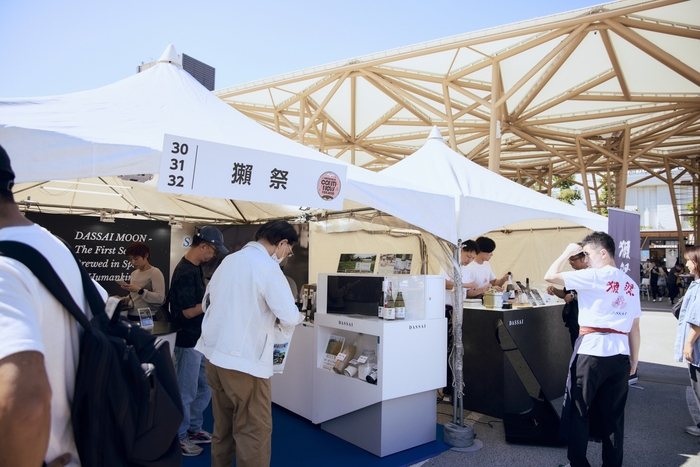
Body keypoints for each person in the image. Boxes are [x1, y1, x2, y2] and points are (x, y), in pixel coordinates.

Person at [0, 144, 106, 467]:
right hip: (83, 448)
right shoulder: (55, 246)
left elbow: (25, 406)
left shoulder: (4, 266)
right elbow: (103, 302)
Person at [195, 220, 302, 467]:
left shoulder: (229, 261)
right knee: (254, 430)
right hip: (244, 362)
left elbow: (207, 303)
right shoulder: (268, 267)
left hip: (214, 355)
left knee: (223, 426)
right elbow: (288, 315)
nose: (286, 255)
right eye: (288, 250)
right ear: (282, 243)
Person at [545, 231, 641, 467]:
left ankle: (578, 463)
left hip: (592, 353)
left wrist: (567, 252)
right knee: (614, 417)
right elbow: (635, 327)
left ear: (603, 252)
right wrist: (634, 360)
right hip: (620, 355)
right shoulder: (630, 283)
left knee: (580, 412)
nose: (585, 259)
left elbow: (550, 276)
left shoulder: (594, 276)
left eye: (587, 253)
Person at [170, 225, 228, 456]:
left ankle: (193, 429)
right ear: (203, 246)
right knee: (186, 391)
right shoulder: (185, 272)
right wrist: (213, 302)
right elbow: (187, 312)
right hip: (188, 341)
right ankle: (179, 436)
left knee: (204, 387)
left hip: (201, 339)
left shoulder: (195, 268)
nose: (213, 255)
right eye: (213, 251)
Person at [674, 247, 700, 439]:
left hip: (697, 348)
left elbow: (697, 320)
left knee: (698, 386)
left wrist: (689, 343)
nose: (687, 264)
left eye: (690, 260)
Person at [547, 250, 587, 350]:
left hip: (586, 322)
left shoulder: (592, 275)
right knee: (575, 349)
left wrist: (573, 296)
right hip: (574, 320)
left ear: (584, 259)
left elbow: (592, 297)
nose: (571, 262)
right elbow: (565, 294)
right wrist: (554, 290)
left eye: (573, 260)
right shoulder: (574, 275)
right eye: (569, 260)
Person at [118, 241, 166, 321]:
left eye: (136, 259)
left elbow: (160, 298)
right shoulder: (134, 273)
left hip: (147, 315)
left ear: (146, 255)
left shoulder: (155, 272)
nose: (133, 262)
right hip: (131, 314)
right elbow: (135, 297)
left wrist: (140, 290)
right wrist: (124, 299)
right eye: (130, 259)